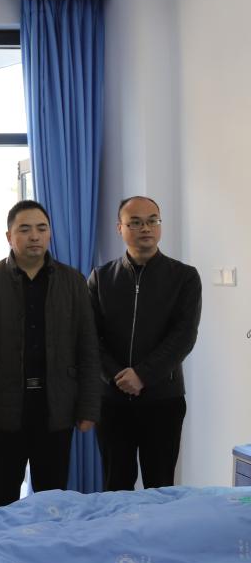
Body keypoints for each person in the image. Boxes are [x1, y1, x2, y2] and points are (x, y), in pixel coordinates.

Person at [0, 200, 100, 509]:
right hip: (1, 408)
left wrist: (89, 406)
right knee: (1, 498)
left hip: (56, 407)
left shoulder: (73, 281)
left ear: (50, 234)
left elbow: (88, 347)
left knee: (52, 501)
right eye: (24, 229)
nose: (34, 235)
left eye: (41, 228)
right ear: (9, 236)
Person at [88, 196, 202, 490]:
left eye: (153, 221)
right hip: (112, 402)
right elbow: (89, 336)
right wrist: (117, 376)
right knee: (115, 487)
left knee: (160, 487)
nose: (146, 228)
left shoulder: (184, 277)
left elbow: (184, 335)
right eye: (136, 222)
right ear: (120, 228)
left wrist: (142, 375)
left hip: (163, 400)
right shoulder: (101, 277)